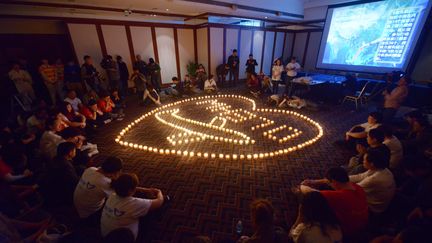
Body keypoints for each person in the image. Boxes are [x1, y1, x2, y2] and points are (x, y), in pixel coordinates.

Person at [300, 167, 368, 237]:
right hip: (362, 223)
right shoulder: (357, 187)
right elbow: (328, 181)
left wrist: (302, 186)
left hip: (348, 230)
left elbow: (311, 193)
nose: (329, 184)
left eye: (330, 183)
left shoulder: (337, 196)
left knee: (310, 200)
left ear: (334, 182)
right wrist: (313, 182)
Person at [100, 173, 164, 240]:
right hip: (126, 239)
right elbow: (159, 202)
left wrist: (146, 190)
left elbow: (128, 188)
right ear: (130, 190)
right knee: (154, 211)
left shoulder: (111, 196)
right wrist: (159, 192)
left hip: (107, 236)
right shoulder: (134, 204)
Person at [74, 156, 123, 221]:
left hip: (77, 204)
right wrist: (116, 178)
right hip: (90, 212)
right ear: (115, 172)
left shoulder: (90, 169)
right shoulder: (106, 183)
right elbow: (119, 193)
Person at [349, 148, 396, 213]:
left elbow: (354, 189)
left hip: (375, 208)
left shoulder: (374, 179)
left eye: (364, 160)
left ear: (372, 164)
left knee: (346, 197)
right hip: (378, 200)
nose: (363, 161)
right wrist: (345, 178)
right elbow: (360, 176)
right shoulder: (383, 169)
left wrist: (337, 182)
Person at [40, 142, 79, 206]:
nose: (75, 152)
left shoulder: (55, 159)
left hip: (50, 187)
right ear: (70, 152)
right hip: (59, 193)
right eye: (74, 150)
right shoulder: (66, 166)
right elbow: (74, 181)